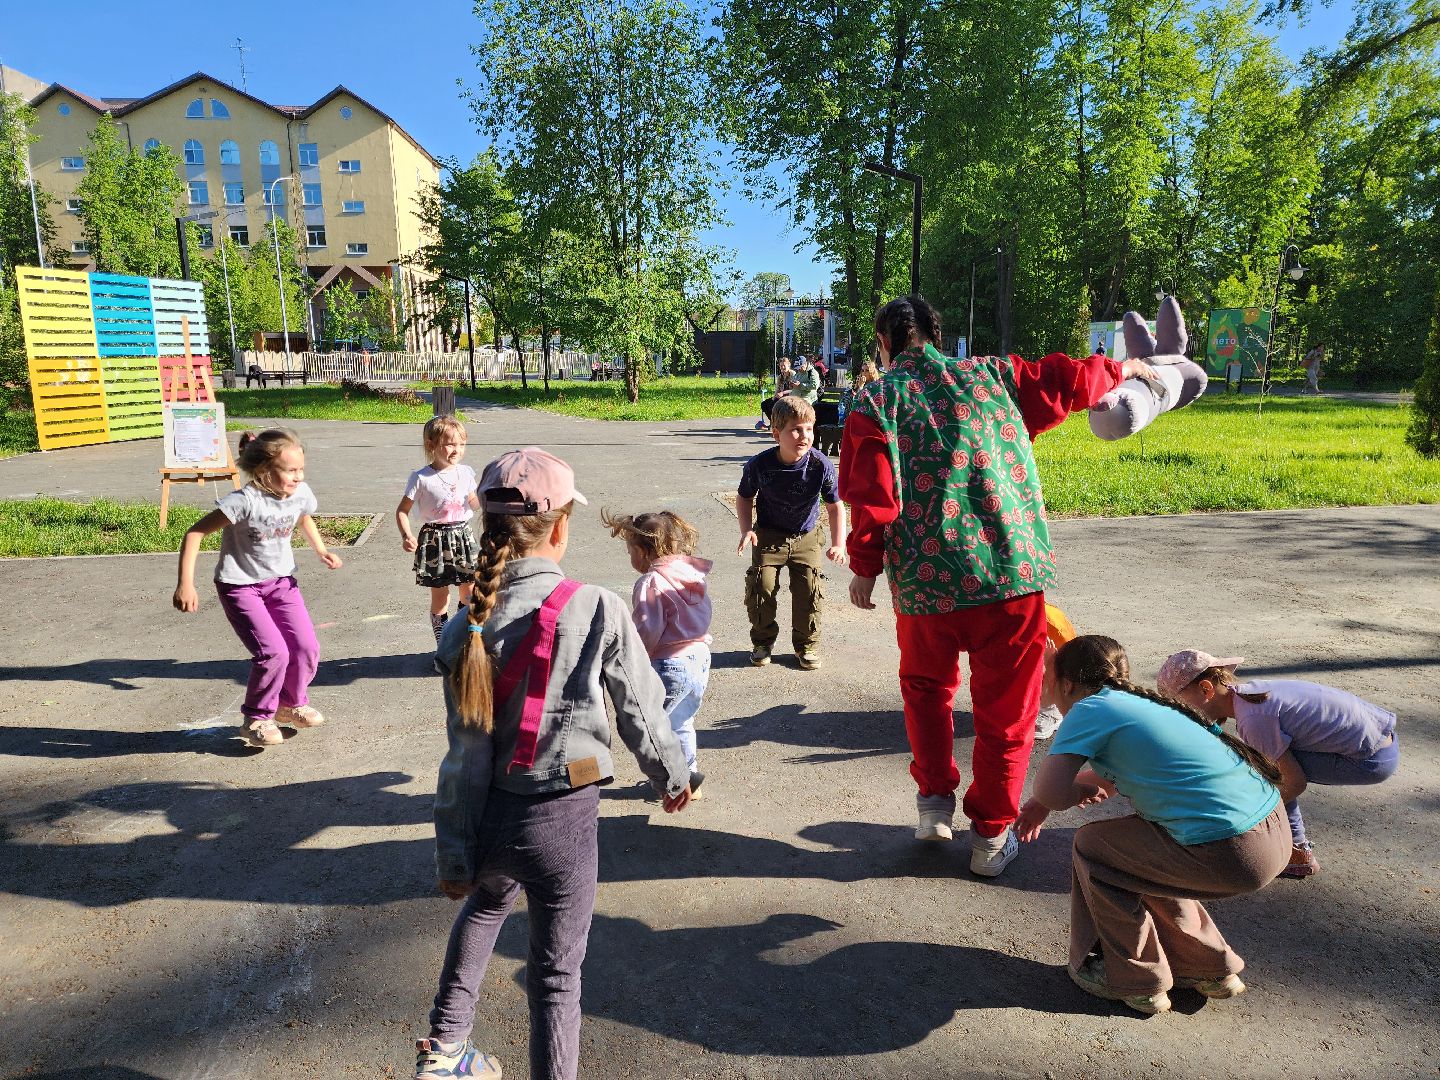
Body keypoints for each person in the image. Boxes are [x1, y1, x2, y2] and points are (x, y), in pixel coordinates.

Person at [841, 294, 1158, 876]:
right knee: (1005, 715)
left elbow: (873, 495)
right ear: (937, 335)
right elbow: (1065, 378)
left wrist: (865, 564)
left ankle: (934, 802)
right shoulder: (993, 376)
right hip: (1010, 576)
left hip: (926, 583)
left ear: (883, 344)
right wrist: (1126, 368)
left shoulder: (875, 400)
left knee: (925, 690)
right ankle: (990, 838)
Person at [418, 447, 691, 1080]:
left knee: (485, 904)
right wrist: (672, 777)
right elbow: (642, 709)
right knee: (556, 975)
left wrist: (455, 850)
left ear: (487, 529)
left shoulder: (464, 627)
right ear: (561, 528)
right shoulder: (594, 605)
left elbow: (463, 751)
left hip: (489, 814)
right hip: (565, 816)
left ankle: (446, 1045)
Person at [1015, 636, 1289, 1015]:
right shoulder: (1143, 704)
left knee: (1093, 848)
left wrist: (1064, 794)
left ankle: (1137, 979)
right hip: (1272, 832)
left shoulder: (1088, 708)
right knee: (1141, 856)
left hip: (1232, 849)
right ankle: (1209, 968)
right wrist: (1056, 799)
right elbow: (1112, 776)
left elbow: (1050, 788)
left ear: (1066, 684)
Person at [1157, 649, 1399, 879]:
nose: (1182, 715)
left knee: (1268, 774)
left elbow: (1293, 783)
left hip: (1371, 759)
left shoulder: (1254, 721)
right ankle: (1295, 846)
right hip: (1382, 740)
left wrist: (1250, 814)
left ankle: (1297, 853)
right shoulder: (1250, 694)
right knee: (1267, 762)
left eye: (1181, 706)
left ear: (1206, 689)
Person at [172, 428, 343, 747]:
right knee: (273, 652)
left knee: (306, 648)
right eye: (290, 470)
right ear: (265, 471)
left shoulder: (300, 493)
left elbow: (303, 517)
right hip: (240, 587)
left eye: (300, 469)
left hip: (282, 584)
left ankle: (289, 704)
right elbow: (195, 534)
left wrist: (320, 549)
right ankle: (256, 718)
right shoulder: (243, 501)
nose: (298, 476)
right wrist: (186, 583)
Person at [602, 507, 713, 797]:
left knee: (657, 727)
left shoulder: (650, 582)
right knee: (682, 721)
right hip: (699, 656)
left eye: (630, 552)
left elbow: (647, 627)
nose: (630, 559)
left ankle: (674, 783)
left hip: (670, 662)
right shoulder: (691, 573)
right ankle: (688, 775)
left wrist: (636, 657)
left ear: (643, 551)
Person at [738, 395, 847, 670]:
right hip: (768, 536)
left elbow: (835, 506)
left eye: (809, 428)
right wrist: (746, 530)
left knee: (809, 591)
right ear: (777, 434)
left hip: (806, 537)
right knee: (761, 587)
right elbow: (744, 497)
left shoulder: (821, 464)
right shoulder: (760, 465)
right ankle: (762, 642)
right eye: (795, 429)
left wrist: (839, 543)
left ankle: (806, 645)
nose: (804, 435)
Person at [395, 414, 481, 647]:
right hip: (434, 540)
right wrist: (406, 536)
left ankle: (463, 640)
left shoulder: (466, 473)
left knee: (470, 592)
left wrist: (491, 501)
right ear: (431, 445)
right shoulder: (421, 478)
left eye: (462, 444)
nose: (457, 450)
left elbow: (474, 502)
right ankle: (444, 646)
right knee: (441, 597)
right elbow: (402, 511)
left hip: (463, 536)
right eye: (450, 444)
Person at [757, 356, 797, 430]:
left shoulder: (793, 374)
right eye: (781, 366)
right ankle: (774, 423)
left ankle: (779, 425)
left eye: (784, 366)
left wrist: (783, 393)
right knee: (765, 404)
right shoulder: (780, 377)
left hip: (791, 397)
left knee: (775, 406)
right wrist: (775, 396)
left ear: (788, 365)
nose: (782, 368)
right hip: (781, 397)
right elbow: (777, 389)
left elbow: (794, 390)